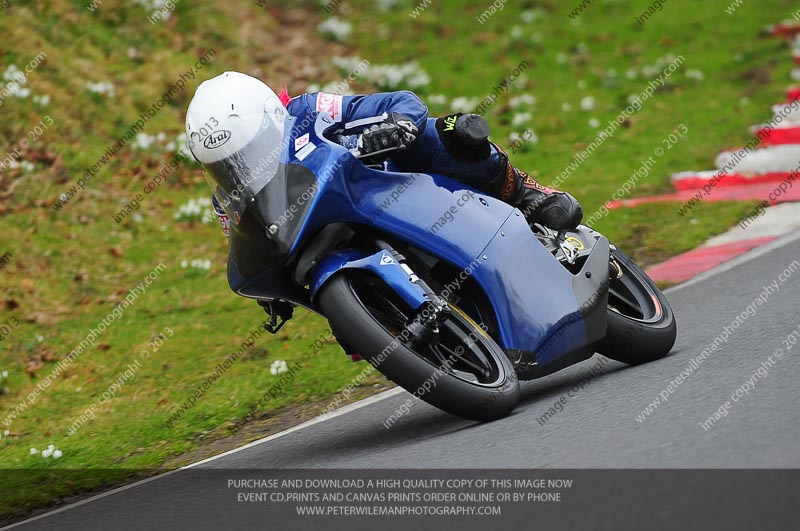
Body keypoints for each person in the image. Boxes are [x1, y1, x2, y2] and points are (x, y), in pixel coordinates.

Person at [187, 72, 582, 236]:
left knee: (444, 132)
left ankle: (525, 193)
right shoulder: (228, 200)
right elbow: (253, 251)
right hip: (338, 231)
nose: (238, 168)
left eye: (245, 152)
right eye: (225, 166)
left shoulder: (306, 111)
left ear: (272, 117)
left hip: (384, 182)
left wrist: (397, 125)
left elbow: (397, 101)